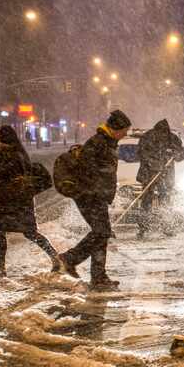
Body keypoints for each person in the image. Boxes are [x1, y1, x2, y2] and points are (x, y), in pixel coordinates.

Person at [57, 110, 132, 290]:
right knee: (101, 232)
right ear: (115, 129)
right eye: (124, 130)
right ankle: (69, 259)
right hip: (88, 195)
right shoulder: (97, 142)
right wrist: (97, 188)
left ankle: (98, 277)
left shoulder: (108, 142)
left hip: (97, 195)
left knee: (102, 234)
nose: (126, 134)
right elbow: (86, 169)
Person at [0, 125, 58, 279]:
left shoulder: (5, 153)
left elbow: (2, 173)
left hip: (12, 198)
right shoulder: (18, 151)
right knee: (28, 232)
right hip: (21, 197)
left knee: (0, 230)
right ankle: (56, 258)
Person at [135, 119, 184, 236]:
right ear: (156, 131)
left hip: (166, 175)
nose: (163, 136)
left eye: (165, 133)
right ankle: (143, 227)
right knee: (146, 200)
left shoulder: (171, 138)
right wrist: (155, 165)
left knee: (165, 200)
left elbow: (183, 152)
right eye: (161, 133)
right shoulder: (147, 138)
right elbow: (141, 154)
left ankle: (166, 225)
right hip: (148, 174)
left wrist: (177, 154)